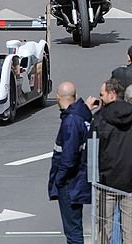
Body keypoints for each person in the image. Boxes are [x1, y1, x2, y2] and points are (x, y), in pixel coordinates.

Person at [87, 78, 132, 244]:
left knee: (103, 228)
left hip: (105, 182)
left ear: (111, 94)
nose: (100, 98)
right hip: (131, 181)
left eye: (102, 94)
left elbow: (91, 150)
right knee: (130, 229)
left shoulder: (100, 118)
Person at [48, 81, 91, 244]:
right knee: (74, 228)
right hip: (75, 181)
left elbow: (68, 157)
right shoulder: (80, 116)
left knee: (73, 231)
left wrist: (59, 179)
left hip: (69, 183)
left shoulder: (71, 121)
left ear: (58, 97)